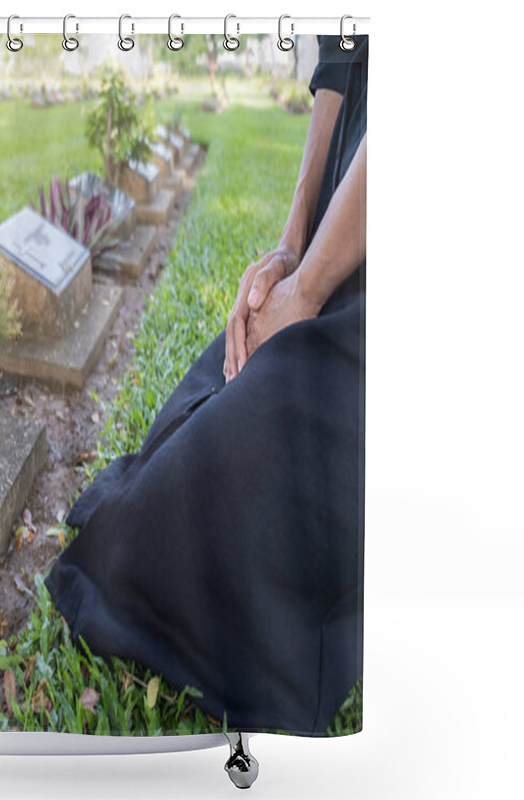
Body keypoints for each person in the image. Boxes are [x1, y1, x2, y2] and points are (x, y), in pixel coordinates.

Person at [45, 35, 368, 735]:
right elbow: (341, 62)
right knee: (209, 403)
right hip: (346, 216)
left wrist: (311, 290)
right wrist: (293, 254)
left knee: (222, 492)